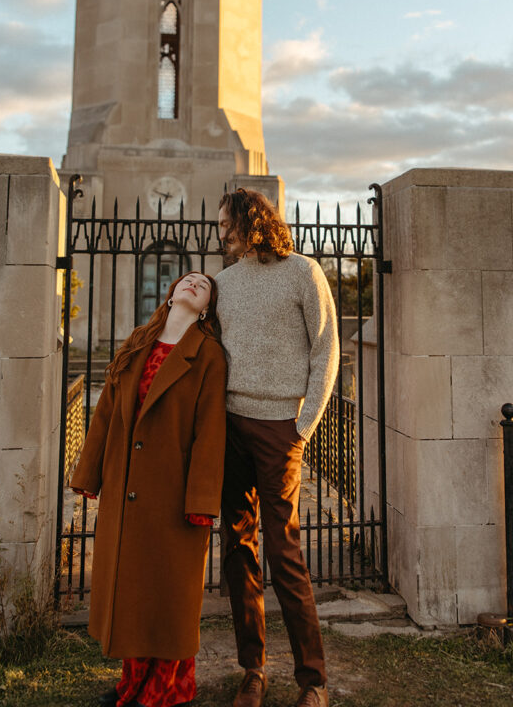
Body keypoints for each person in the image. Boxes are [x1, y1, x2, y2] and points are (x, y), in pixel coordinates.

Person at [70, 271, 227, 707]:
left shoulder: (209, 354)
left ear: (208, 307)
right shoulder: (139, 340)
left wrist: (200, 501)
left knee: (170, 601)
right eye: (188, 279)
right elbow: (105, 411)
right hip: (125, 490)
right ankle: (131, 685)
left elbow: (209, 433)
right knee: (134, 598)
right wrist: (89, 473)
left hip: (173, 496)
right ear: (172, 292)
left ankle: (165, 692)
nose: (195, 283)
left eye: (205, 285)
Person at [216, 189, 339, 707]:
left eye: (227, 224)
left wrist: (304, 425)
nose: (220, 233)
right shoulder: (223, 284)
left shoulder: (303, 273)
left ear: (252, 221)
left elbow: (327, 346)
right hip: (230, 429)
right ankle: (253, 671)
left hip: (280, 429)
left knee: (283, 551)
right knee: (237, 550)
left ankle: (313, 681)